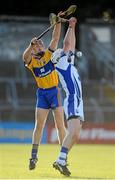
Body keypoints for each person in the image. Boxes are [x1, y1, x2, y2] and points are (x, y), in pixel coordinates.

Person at [22, 13, 66, 170]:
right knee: (39, 125)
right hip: (42, 94)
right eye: (38, 44)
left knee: (60, 125)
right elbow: (24, 57)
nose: (41, 45)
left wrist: (58, 22)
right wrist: (30, 45)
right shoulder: (32, 61)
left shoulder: (48, 54)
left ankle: (63, 158)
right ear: (34, 48)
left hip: (54, 91)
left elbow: (55, 38)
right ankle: (33, 157)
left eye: (41, 43)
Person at [51, 17, 84, 176]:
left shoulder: (66, 62)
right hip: (72, 99)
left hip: (76, 101)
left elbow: (71, 45)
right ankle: (60, 160)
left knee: (76, 135)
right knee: (74, 133)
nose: (65, 52)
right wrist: (70, 27)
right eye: (62, 53)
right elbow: (67, 45)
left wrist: (72, 26)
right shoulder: (61, 64)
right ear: (58, 57)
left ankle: (61, 160)